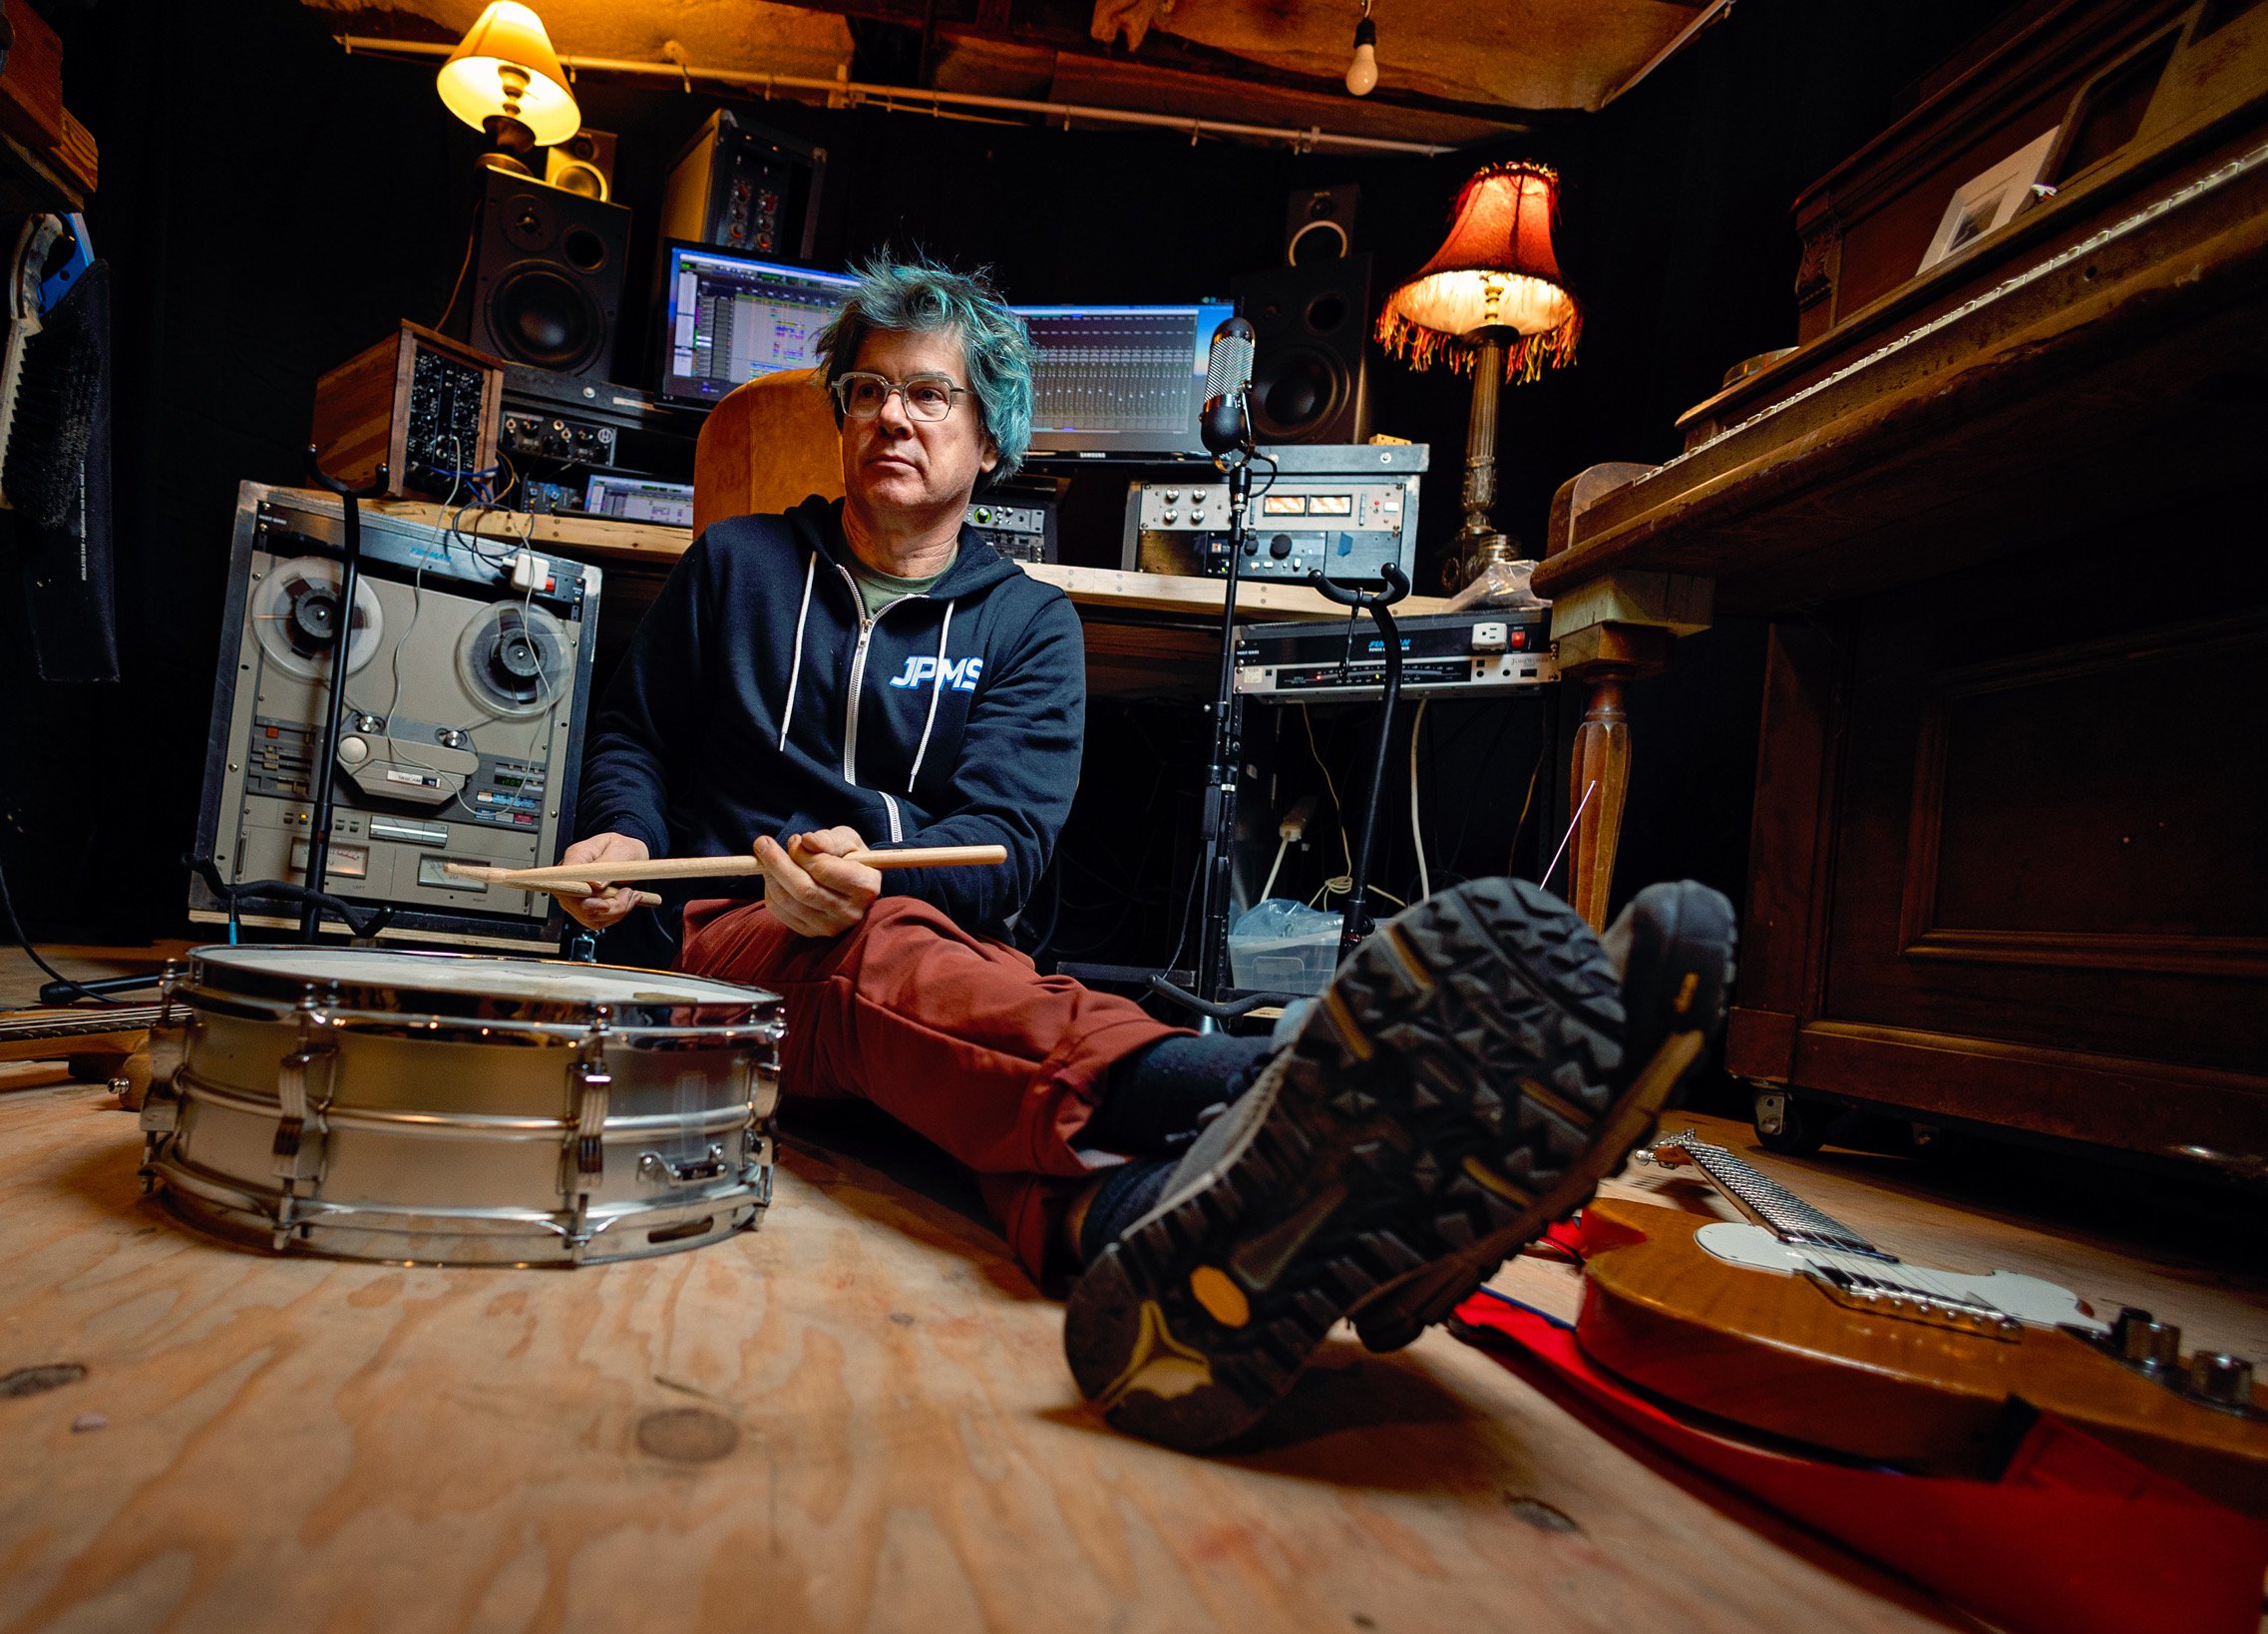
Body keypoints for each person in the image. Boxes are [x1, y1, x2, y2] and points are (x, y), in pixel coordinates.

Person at [564, 255, 1737, 1452]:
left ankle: (1171, 1245)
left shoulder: (1028, 623)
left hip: (922, 970)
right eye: (866, 392)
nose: (891, 419)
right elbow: (634, 741)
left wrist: (879, 854)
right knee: (887, 964)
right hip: (720, 956)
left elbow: (1007, 852)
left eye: (928, 395)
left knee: (973, 1070)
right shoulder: (737, 568)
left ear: (989, 438)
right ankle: (1287, 1089)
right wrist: (623, 837)